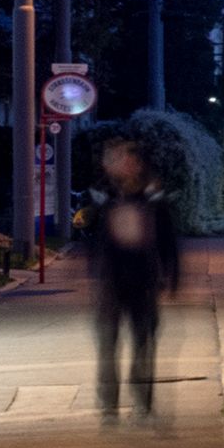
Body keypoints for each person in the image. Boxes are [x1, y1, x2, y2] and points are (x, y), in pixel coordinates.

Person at [88, 137, 181, 412]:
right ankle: (109, 401)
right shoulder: (102, 195)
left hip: (143, 279)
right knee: (108, 342)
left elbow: (167, 238)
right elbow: (92, 237)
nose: (119, 164)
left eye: (124, 159)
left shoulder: (153, 197)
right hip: (111, 280)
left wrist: (172, 274)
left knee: (143, 340)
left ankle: (143, 398)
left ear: (138, 164)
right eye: (114, 158)